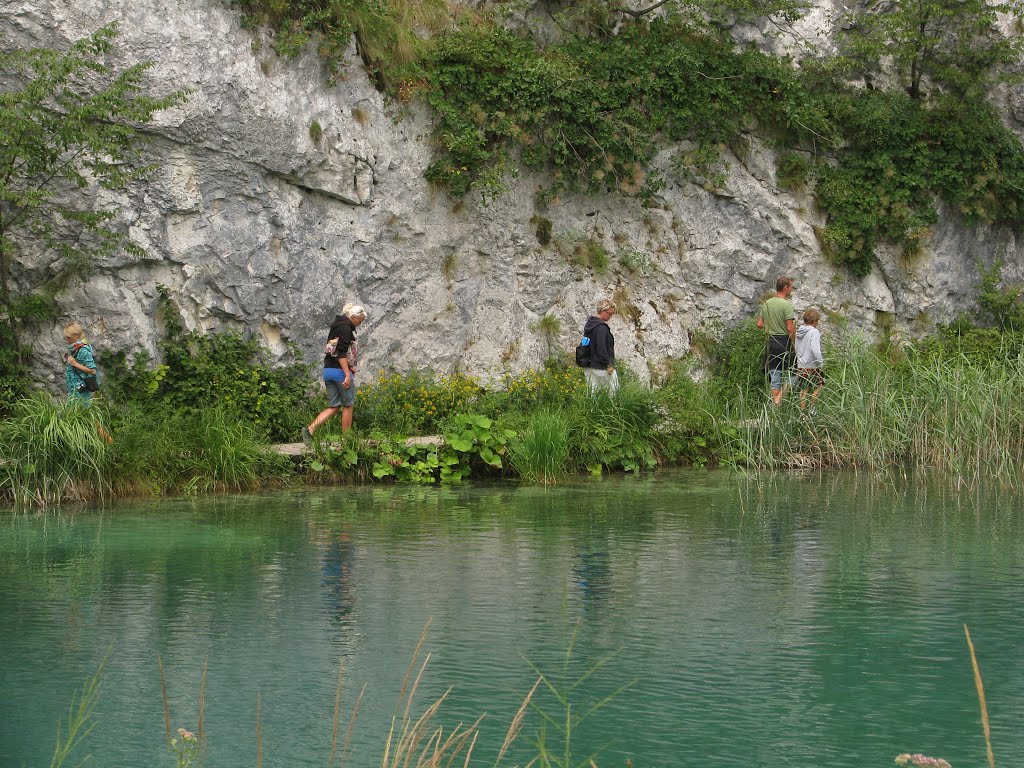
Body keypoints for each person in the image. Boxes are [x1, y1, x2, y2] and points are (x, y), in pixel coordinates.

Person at [303, 303, 367, 443]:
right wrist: (347, 374)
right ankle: (347, 439)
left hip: (328, 370)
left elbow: (332, 351)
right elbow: (341, 354)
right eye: (360, 320)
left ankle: (310, 429)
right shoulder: (345, 328)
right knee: (348, 405)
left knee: (334, 406)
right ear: (353, 317)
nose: (360, 324)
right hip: (339, 372)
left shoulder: (336, 326)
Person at [756, 276, 797, 405]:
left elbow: (759, 324)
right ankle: (779, 400)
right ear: (785, 287)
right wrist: (794, 344)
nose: (791, 290)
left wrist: (770, 325)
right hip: (784, 342)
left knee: (775, 376)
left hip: (771, 342)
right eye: (790, 287)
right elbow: (790, 328)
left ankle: (775, 407)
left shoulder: (767, 303)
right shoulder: (786, 305)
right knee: (795, 371)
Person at [581, 298, 619, 395]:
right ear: (602, 310)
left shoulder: (590, 325)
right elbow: (602, 349)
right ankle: (612, 410)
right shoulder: (601, 328)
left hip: (589, 365)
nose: (611, 316)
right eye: (609, 313)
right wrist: (609, 365)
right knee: (613, 392)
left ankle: (592, 410)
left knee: (593, 394)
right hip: (601, 366)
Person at [795, 307, 824, 411]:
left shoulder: (799, 331)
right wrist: (820, 362)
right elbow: (815, 349)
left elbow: (796, 347)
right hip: (812, 365)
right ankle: (812, 408)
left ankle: (803, 413)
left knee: (804, 389)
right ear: (814, 321)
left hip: (801, 364)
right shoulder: (814, 332)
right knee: (820, 385)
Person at [62, 322, 98, 404]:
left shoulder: (83, 350)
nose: (67, 340)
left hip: (81, 388)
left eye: (69, 337)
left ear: (77, 336)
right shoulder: (74, 348)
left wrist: (75, 364)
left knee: (82, 409)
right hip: (73, 386)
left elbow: (92, 370)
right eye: (66, 337)